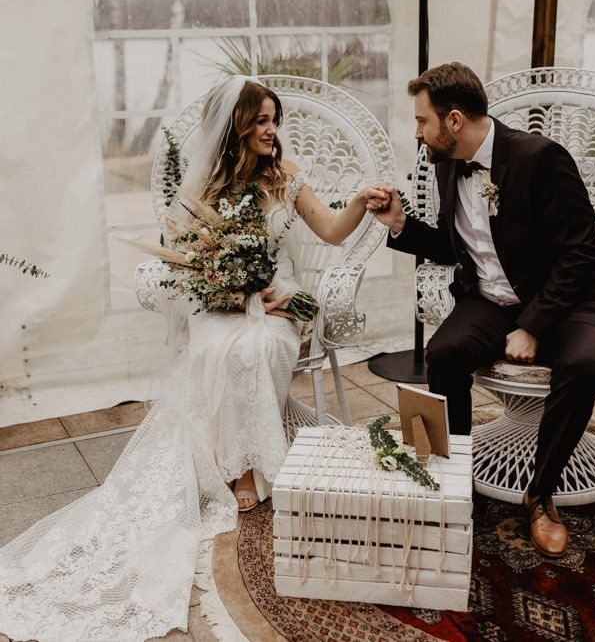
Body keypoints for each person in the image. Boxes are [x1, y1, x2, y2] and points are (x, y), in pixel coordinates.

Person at [0, 75, 390, 641]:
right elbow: (183, 270)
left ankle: (257, 462)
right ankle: (234, 468)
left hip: (281, 300)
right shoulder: (201, 189)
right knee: (223, 351)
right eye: (259, 121)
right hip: (223, 302)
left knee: (262, 345)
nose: (270, 130)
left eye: (273, 120)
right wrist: (231, 290)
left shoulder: (286, 178)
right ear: (233, 128)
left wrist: (353, 204)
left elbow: (330, 231)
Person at [367, 62, 595, 559]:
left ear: (454, 120)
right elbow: (458, 246)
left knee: (585, 363)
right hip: (491, 299)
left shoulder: (541, 158)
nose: (418, 133)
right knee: (445, 351)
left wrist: (532, 325)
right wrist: (400, 226)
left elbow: (581, 255)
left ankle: (540, 496)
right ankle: (455, 478)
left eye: (422, 122)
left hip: (568, 302)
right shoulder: (445, 164)